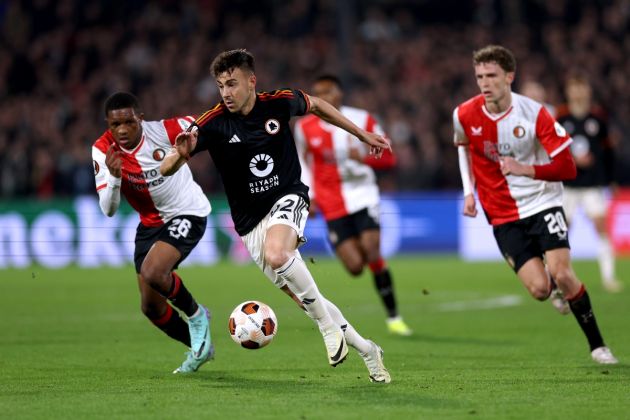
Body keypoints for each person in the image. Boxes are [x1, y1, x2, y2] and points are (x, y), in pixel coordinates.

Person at [160, 49, 392, 383]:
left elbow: (318, 106)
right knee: (309, 300)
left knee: (279, 253)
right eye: (221, 85)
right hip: (250, 224)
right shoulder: (211, 123)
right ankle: (368, 350)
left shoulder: (278, 102)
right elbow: (168, 166)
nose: (226, 92)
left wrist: (360, 134)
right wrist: (179, 155)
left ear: (251, 81)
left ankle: (328, 330)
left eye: (232, 83)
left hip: (288, 197)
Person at [453, 45, 618, 364]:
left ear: (509, 77)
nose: (484, 83)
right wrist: (468, 191)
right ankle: (553, 286)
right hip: (501, 214)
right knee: (541, 289)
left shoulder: (536, 113)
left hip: (543, 203)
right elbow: (463, 147)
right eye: (479, 77)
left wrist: (525, 168)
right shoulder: (463, 114)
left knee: (564, 273)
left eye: (491, 76)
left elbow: (568, 167)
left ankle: (598, 345)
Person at [92, 92, 214, 374]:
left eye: (128, 122)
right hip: (149, 224)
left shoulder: (166, 130)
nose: (122, 130)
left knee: (154, 272)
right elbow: (108, 210)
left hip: (187, 212)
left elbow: (207, 122)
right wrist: (114, 177)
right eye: (115, 124)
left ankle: (197, 317)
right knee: (151, 308)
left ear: (140, 119)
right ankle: (199, 345)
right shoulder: (103, 150)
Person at [293, 74, 412, 336]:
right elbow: (304, 164)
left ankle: (394, 317)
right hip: (330, 203)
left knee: (372, 249)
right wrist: (308, 195)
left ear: (339, 94)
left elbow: (389, 158)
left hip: (363, 196)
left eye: (328, 91)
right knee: (355, 267)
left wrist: (366, 158)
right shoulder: (304, 128)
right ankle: (363, 259)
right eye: (317, 92)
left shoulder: (362, 120)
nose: (322, 97)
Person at [556, 75, 622, 293]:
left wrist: (611, 179)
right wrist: (573, 160)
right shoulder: (561, 117)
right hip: (568, 185)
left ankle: (609, 277)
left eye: (581, 87)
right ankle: (561, 277)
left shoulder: (598, 117)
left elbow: (609, 151)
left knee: (601, 227)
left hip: (593, 185)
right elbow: (553, 150)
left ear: (588, 91)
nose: (578, 92)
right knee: (562, 232)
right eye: (574, 88)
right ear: (568, 91)